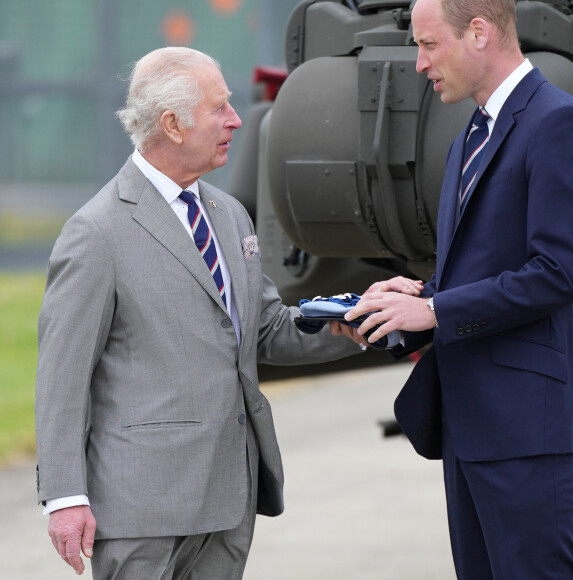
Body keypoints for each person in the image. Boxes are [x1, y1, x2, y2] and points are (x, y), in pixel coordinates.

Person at [35, 47, 364, 579]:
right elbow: (61, 377)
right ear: (172, 123)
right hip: (141, 510)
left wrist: (362, 318)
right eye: (219, 108)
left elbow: (267, 330)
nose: (236, 120)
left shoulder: (228, 214)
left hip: (228, 498)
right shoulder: (95, 233)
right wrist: (64, 496)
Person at [341, 0, 573, 577]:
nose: (419, 63)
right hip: (471, 431)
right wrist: (404, 302)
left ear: (478, 33)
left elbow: (560, 272)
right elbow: (481, 270)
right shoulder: (470, 135)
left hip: (529, 437)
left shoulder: (557, 123)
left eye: (428, 45)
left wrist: (436, 309)